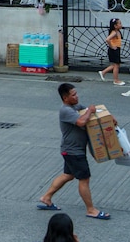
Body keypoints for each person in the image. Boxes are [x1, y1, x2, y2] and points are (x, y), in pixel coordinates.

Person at [38, 83, 110, 220]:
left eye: (76, 93)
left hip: (71, 150)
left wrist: (108, 118)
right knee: (84, 179)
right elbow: (82, 121)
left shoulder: (75, 106)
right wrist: (90, 111)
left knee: (68, 175)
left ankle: (46, 198)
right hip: (73, 151)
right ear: (65, 98)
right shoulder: (66, 110)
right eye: (73, 95)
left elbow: (91, 113)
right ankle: (91, 210)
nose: (77, 97)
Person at [99, 18, 125, 86]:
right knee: (116, 65)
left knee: (115, 65)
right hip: (114, 50)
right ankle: (116, 80)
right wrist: (112, 46)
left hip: (116, 49)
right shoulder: (114, 32)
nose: (121, 25)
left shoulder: (117, 32)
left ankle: (103, 72)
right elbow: (107, 39)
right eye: (119, 23)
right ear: (115, 26)